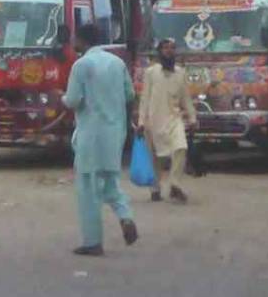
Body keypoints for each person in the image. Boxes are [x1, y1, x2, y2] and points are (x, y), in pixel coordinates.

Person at [62, 24, 138, 256]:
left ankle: (92, 241)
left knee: (88, 189)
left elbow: (73, 100)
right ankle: (125, 216)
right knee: (111, 183)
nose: (72, 41)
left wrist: (61, 98)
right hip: (115, 133)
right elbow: (130, 94)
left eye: (75, 38)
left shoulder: (81, 65)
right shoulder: (117, 63)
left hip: (90, 135)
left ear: (82, 41)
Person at [138, 38, 197, 204]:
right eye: (165, 48)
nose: (169, 51)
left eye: (172, 48)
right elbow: (145, 99)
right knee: (155, 158)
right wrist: (141, 121)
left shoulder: (180, 73)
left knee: (181, 147)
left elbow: (186, 99)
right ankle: (155, 189)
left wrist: (192, 118)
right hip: (153, 120)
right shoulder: (151, 72)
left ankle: (174, 184)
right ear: (160, 52)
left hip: (174, 119)